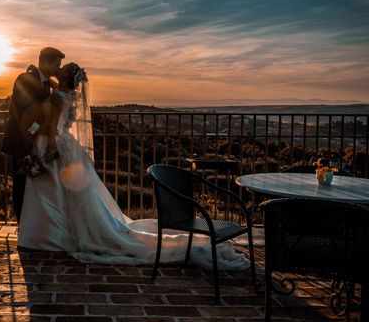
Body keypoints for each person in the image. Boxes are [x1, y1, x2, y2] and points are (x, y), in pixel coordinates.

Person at [17, 62, 249, 269]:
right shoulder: (72, 97)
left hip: (56, 145)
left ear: (64, 77)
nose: (57, 69)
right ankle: (63, 233)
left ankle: (51, 236)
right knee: (71, 194)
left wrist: (48, 149)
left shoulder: (58, 96)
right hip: (68, 145)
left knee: (55, 192)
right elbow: (65, 123)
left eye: (61, 69)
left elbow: (56, 125)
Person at [2, 46, 64, 223]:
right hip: (21, 141)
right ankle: (22, 223)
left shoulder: (45, 82)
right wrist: (38, 129)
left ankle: (32, 223)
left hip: (34, 140)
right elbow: (21, 113)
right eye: (56, 65)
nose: (58, 69)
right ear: (44, 63)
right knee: (21, 184)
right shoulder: (26, 79)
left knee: (32, 184)